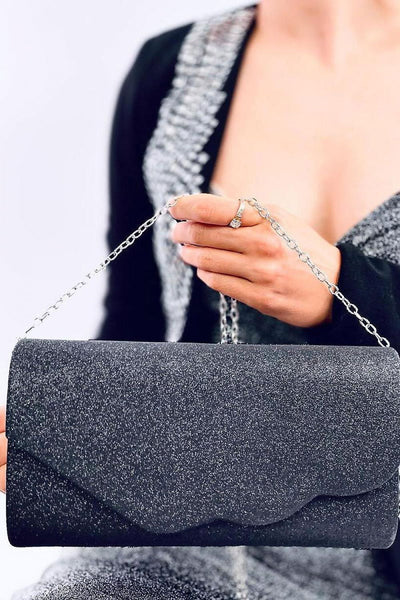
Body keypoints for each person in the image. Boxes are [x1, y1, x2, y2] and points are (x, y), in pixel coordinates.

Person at [3, 0, 400, 597]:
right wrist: (65, 439)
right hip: (179, 527)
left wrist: (342, 288)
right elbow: (135, 325)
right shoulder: (172, 71)